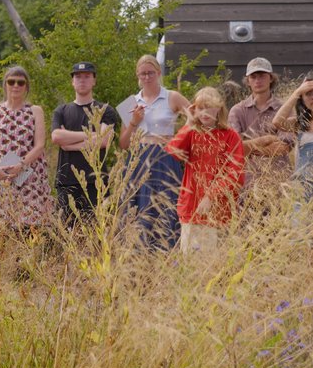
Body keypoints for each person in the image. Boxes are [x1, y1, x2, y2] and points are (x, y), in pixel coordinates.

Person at [119, 55, 191, 250]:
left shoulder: (172, 96)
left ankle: (168, 252)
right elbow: (123, 144)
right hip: (138, 159)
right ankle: (139, 254)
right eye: (143, 73)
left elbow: (195, 118)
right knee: (139, 207)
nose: (147, 77)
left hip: (165, 157)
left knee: (166, 203)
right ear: (137, 76)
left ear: (158, 73)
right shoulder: (130, 102)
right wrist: (134, 121)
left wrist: (180, 140)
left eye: (151, 72)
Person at [0, 66, 53, 244]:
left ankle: (23, 270)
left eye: (20, 82)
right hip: (0, 175)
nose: (15, 86)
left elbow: (40, 144)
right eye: (11, 82)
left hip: (29, 175)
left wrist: (22, 165)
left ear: (26, 86)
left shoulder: (35, 111)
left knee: (28, 230)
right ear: (5, 85)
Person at [166, 87, 245, 253]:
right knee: (190, 265)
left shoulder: (231, 136)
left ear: (219, 108)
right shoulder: (192, 133)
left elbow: (235, 174)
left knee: (213, 266)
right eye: (200, 108)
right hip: (191, 207)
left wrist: (211, 195)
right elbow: (173, 151)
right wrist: (188, 123)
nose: (204, 113)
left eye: (209, 107)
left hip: (218, 212)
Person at [51, 61, 120, 226]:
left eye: (87, 76)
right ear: (72, 81)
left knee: (96, 235)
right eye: (78, 76)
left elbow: (103, 141)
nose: (82, 80)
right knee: (68, 234)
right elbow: (56, 137)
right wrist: (91, 135)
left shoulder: (105, 110)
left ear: (94, 80)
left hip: (95, 182)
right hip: (66, 181)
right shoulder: (61, 111)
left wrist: (69, 144)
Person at [228, 57, 291, 196]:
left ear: (271, 78)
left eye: (262, 76)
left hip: (279, 182)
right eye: (253, 77)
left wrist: (248, 147)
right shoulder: (237, 111)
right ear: (248, 81)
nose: (258, 80)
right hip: (247, 183)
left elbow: (283, 147)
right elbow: (234, 148)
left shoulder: (284, 109)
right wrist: (266, 141)